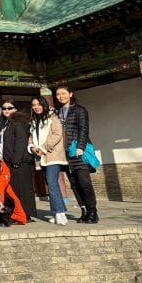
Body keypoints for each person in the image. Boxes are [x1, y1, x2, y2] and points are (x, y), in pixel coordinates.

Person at [55, 85, 98, 224]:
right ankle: (84, 210)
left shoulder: (79, 110)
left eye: (63, 93)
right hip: (65, 153)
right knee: (74, 183)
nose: (61, 96)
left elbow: (83, 129)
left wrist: (80, 146)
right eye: (58, 94)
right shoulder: (57, 112)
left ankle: (93, 211)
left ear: (70, 94)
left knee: (84, 182)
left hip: (78, 151)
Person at [29, 96, 68, 225]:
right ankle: (58, 212)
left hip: (53, 156)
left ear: (44, 105)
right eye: (34, 105)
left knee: (52, 183)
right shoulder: (34, 121)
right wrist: (32, 147)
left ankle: (60, 212)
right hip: (41, 157)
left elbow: (57, 134)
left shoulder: (53, 117)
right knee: (51, 184)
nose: (36, 107)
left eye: (39, 104)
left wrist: (43, 148)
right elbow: (31, 137)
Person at [0, 101, 37, 220]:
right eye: (4, 108)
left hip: (19, 161)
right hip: (9, 161)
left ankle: (26, 214)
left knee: (23, 189)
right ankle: (17, 213)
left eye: (9, 108)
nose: (6, 110)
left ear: (15, 109)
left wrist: (16, 160)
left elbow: (21, 142)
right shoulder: (6, 123)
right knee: (14, 188)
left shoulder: (19, 122)